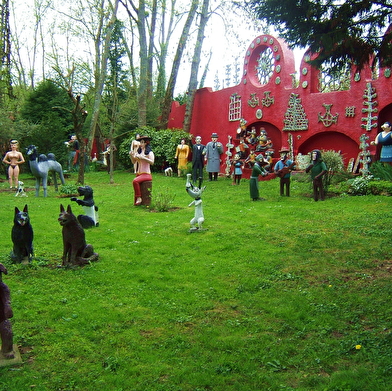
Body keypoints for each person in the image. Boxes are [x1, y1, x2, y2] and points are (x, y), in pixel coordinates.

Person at [129, 135, 154, 206]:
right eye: (140, 142)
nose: (140, 144)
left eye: (142, 142)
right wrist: (131, 156)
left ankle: (139, 197)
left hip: (146, 174)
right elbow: (134, 162)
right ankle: (137, 201)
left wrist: (143, 158)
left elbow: (152, 162)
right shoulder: (138, 152)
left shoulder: (150, 153)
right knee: (136, 181)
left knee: (135, 181)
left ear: (146, 143)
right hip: (139, 173)